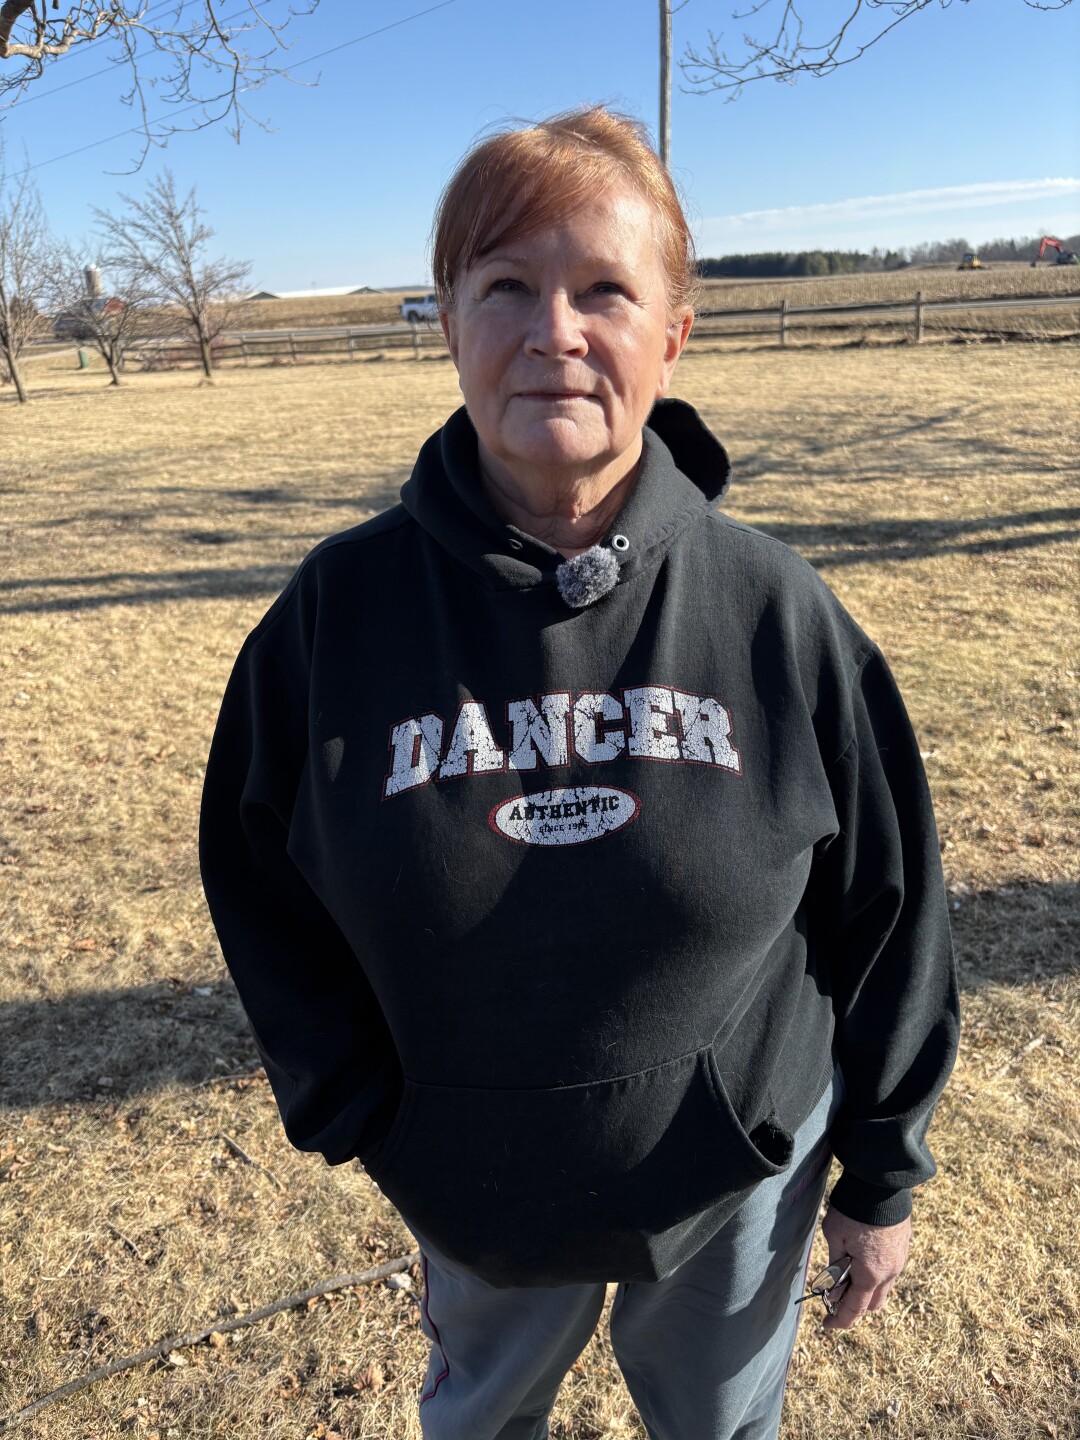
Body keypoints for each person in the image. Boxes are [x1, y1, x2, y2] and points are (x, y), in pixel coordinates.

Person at [200, 107, 959, 1440]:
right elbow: (254, 872)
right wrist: (361, 1105)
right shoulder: (335, 621)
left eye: (604, 288)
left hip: (740, 1179)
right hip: (469, 1191)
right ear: (449, 322)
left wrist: (881, 1172)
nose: (554, 329)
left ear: (674, 330)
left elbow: (892, 906)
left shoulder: (777, 613)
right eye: (505, 286)